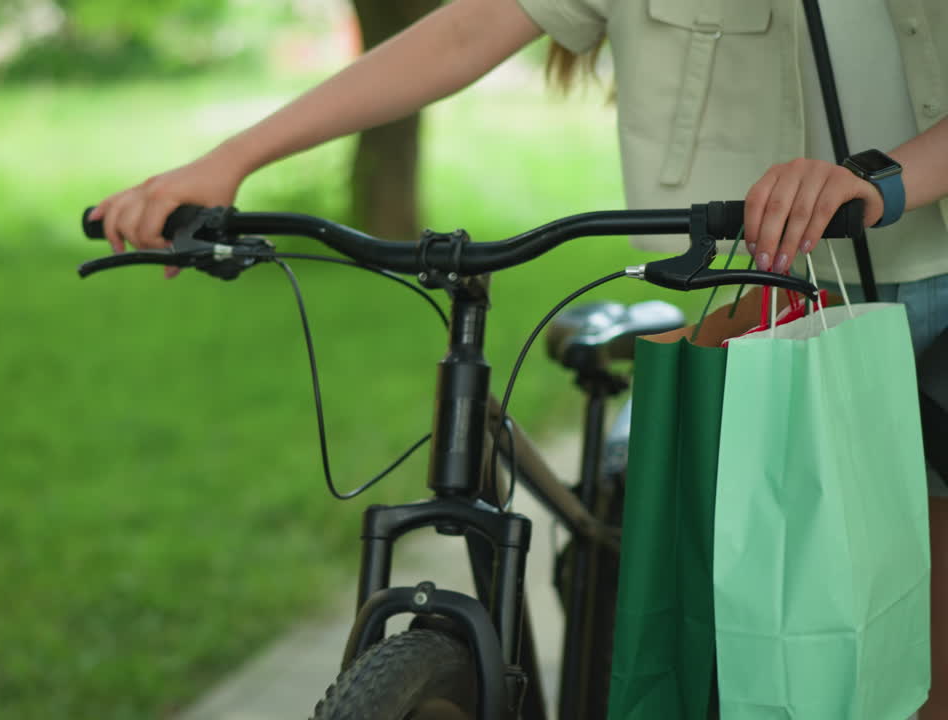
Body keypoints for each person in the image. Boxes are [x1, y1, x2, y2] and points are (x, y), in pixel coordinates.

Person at [90, 0, 948, 714]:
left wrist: (882, 180)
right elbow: (468, 27)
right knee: (713, 618)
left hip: (936, 277)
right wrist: (231, 160)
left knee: (910, 650)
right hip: (774, 296)